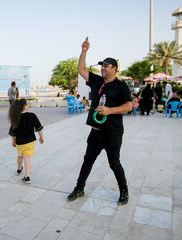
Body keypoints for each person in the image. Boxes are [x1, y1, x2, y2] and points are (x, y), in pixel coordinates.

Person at [67, 37, 132, 205]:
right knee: (87, 160)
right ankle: (79, 188)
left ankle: (124, 191)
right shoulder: (96, 81)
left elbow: (129, 106)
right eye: (101, 65)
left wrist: (110, 110)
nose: (102, 68)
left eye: (106, 65)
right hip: (95, 131)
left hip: (112, 132)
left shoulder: (121, 86)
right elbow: (81, 69)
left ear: (114, 69)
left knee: (114, 164)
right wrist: (84, 51)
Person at [8, 99, 44, 184]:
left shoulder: (15, 118)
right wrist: (41, 137)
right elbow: (39, 128)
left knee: (20, 156)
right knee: (27, 158)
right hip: (30, 141)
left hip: (20, 142)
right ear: (24, 106)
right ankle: (27, 177)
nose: (27, 105)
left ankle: (19, 169)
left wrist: (13, 141)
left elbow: (12, 132)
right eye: (27, 104)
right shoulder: (32, 115)